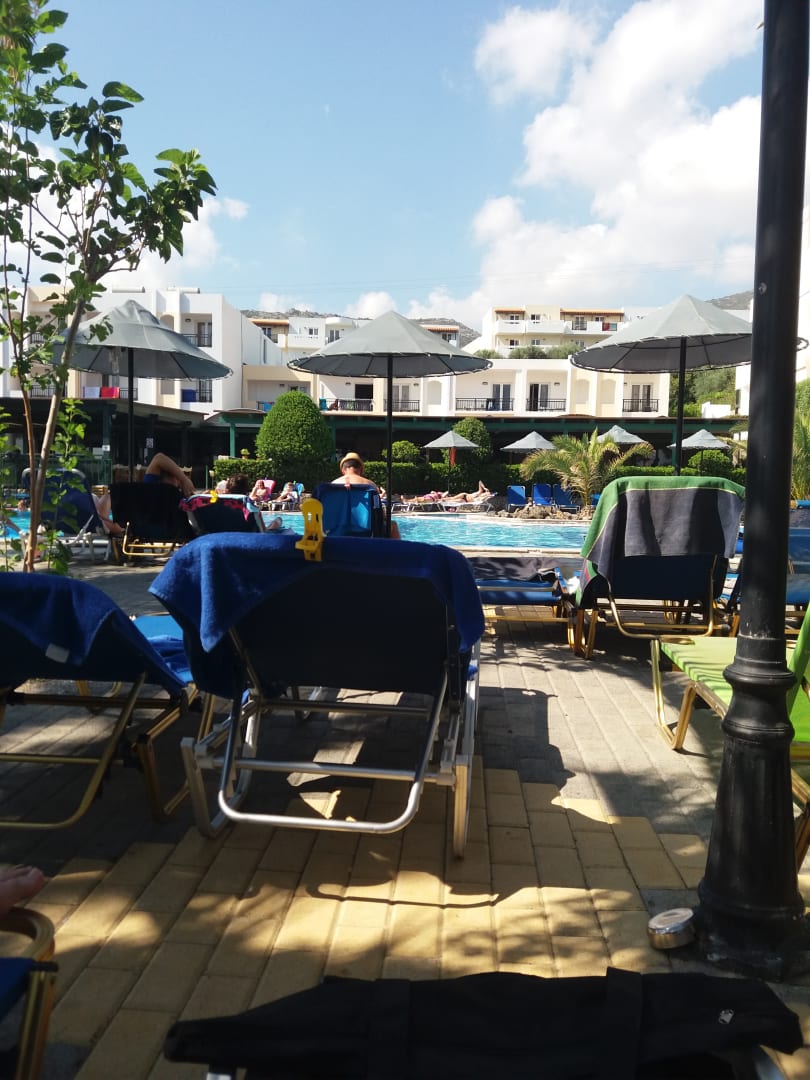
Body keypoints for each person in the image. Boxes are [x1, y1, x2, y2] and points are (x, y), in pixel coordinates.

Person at [332, 452, 400, 538]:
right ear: (360, 469)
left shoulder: (332, 485)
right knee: (393, 525)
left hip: (336, 533)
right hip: (366, 534)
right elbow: (378, 511)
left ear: (343, 470)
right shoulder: (370, 485)